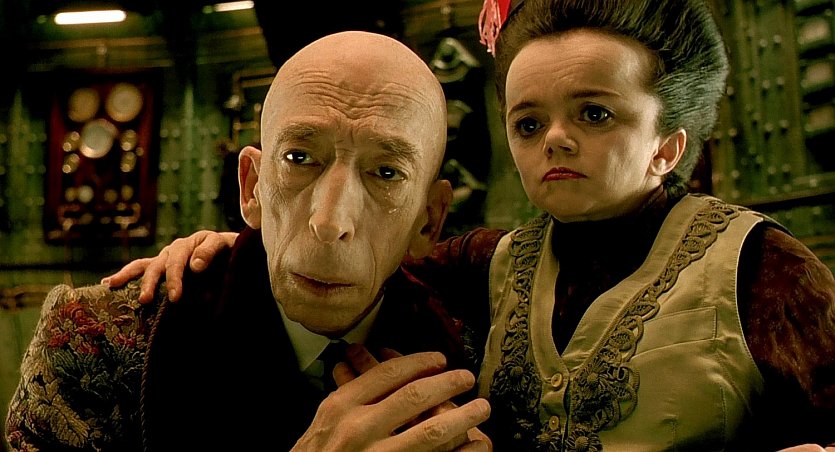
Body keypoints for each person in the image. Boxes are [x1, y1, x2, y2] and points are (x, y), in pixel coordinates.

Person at [102, 0, 835, 450]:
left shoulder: (760, 265)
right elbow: (353, 260)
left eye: (594, 113)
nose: (554, 139)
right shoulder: (489, 264)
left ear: (667, 145)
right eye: (528, 121)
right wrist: (236, 245)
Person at [5, 30, 493, 451]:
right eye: (299, 158)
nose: (329, 222)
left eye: (386, 172)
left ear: (429, 221)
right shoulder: (95, 341)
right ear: (251, 187)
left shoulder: (481, 340)